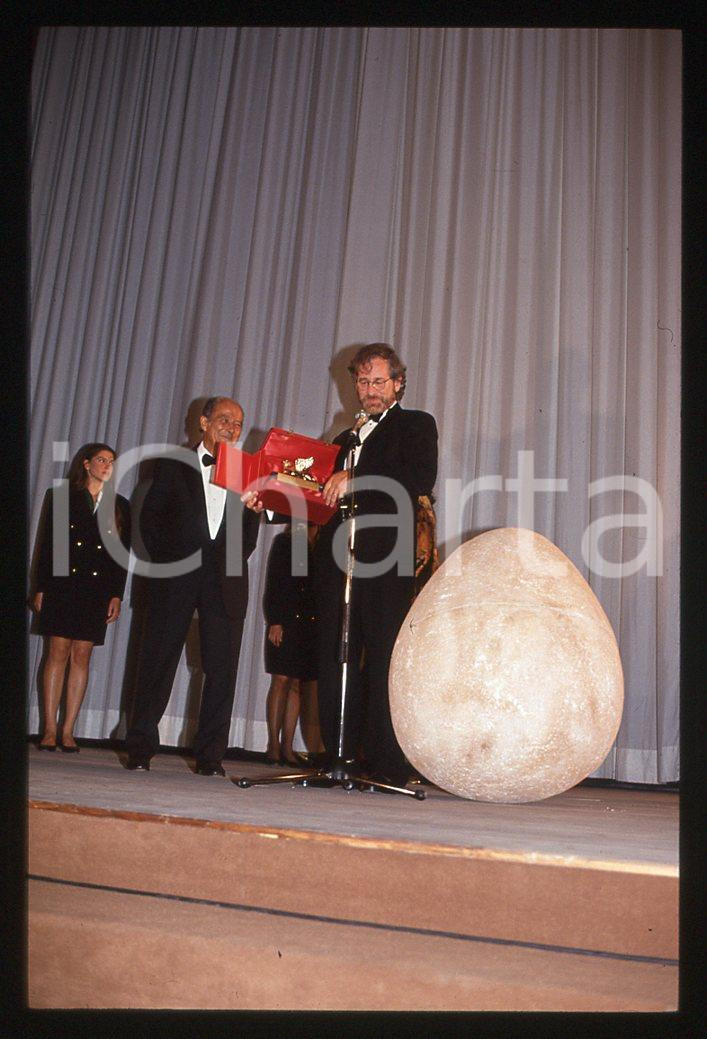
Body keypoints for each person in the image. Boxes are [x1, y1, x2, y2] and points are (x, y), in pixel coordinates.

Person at [316, 343, 438, 786]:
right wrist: (270, 501)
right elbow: (320, 495)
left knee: (384, 654)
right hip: (337, 557)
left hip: (386, 556)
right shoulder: (344, 437)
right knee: (335, 654)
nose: (369, 390)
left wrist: (356, 477)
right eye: (363, 382)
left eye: (378, 382)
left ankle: (386, 763)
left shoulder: (416, 425)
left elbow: (418, 478)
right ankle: (339, 756)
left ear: (398, 383)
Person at [124, 397, 260, 776]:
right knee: (157, 661)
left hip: (225, 581)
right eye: (224, 419)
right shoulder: (170, 463)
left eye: (238, 423)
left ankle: (210, 756)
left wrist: (228, 560)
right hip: (175, 577)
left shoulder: (248, 473)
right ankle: (140, 748)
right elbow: (150, 521)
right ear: (203, 422)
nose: (231, 428)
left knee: (222, 669)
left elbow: (250, 534)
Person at [31, 443, 130, 752]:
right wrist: (41, 586)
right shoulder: (62, 496)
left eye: (111, 461)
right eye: (101, 459)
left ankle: (68, 730)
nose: (106, 465)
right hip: (63, 583)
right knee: (57, 651)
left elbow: (121, 554)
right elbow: (47, 544)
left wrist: (117, 593)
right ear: (86, 464)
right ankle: (48, 728)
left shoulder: (120, 505)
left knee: (83, 655)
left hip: (96, 590)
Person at [262, 522, 321, 765]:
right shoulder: (285, 542)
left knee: (297, 684)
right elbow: (275, 583)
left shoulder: (322, 546)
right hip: (285, 621)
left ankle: (287, 745)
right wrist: (275, 621)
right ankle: (273, 744)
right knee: (281, 680)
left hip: (308, 626)